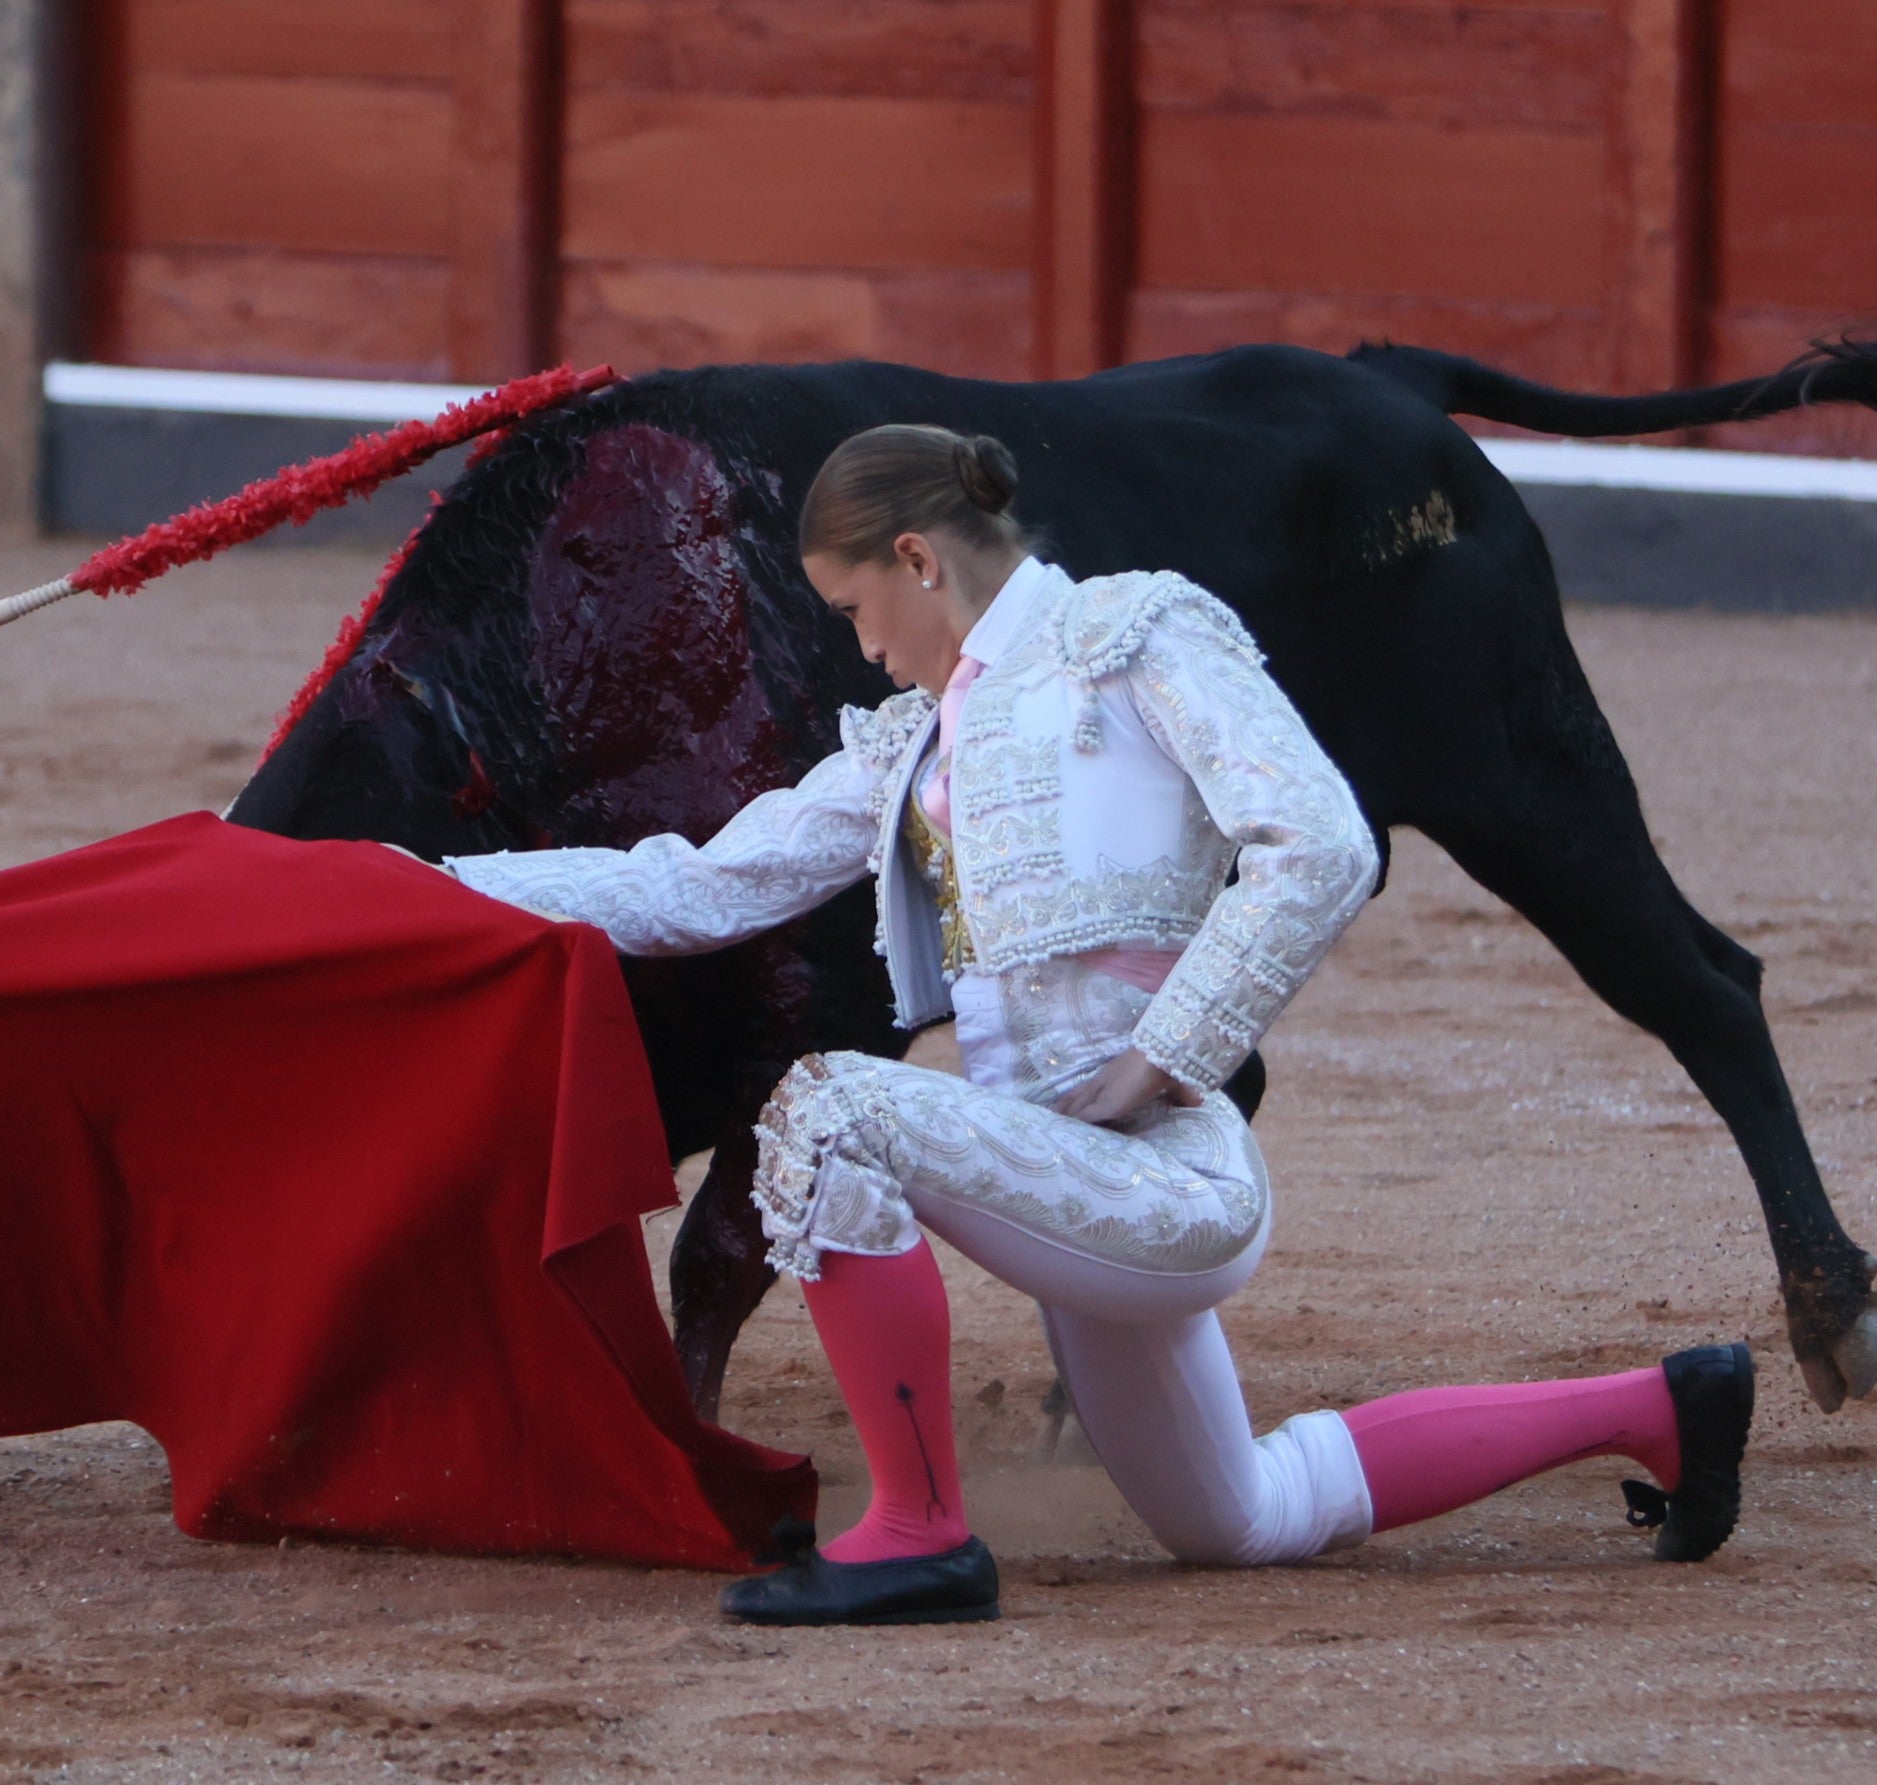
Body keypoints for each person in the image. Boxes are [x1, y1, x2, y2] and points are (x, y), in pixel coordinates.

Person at [444, 424, 1753, 1625]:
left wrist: (1168, 1052)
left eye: (856, 608)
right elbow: (692, 885)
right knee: (1238, 1515)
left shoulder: (1137, 635)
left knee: (827, 1108)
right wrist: (420, 886)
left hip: (1166, 1179)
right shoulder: (919, 739)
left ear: (917, 558)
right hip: (1072, 1180)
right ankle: (1659, 1409)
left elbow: (1324, 841)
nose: (861, 647)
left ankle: (919, 1530)